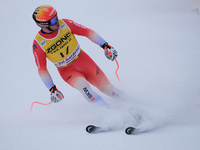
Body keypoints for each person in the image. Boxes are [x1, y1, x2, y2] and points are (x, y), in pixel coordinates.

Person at [32, 5, 119, 106]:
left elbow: (87, 32)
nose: (57, 22)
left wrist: (105, 45)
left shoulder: (65, 24)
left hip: (84, 61)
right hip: (67, 71)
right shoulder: (38, 43)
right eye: (52, 21)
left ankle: (130, 103)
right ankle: (111, 114)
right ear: (44, 25)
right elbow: (42, 69)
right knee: (83, 86)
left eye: (56, 17)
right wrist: (52, 89)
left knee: (108, 88)